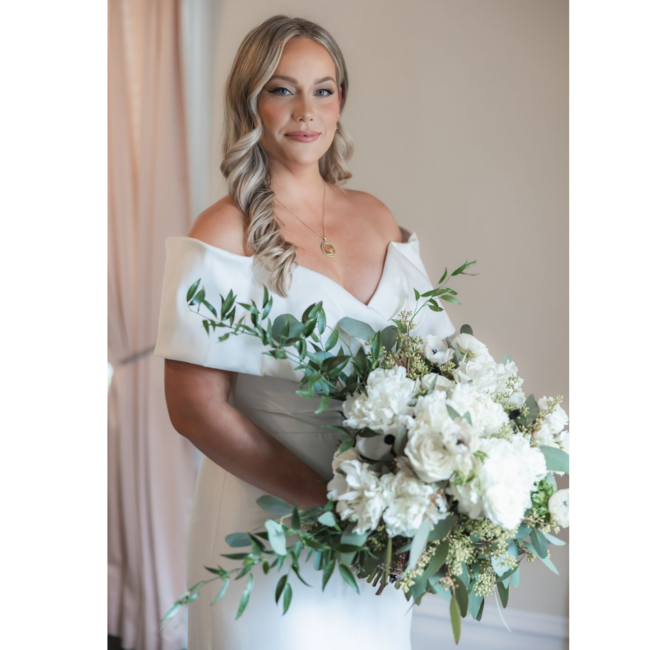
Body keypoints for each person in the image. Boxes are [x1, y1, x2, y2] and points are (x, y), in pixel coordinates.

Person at [153, 15, 456, 650]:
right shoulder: (221, 233)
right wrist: (335, 505)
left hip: (383, 542)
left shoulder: (376, 216)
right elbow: (195, 412)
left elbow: (440, 363)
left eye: (323, 89)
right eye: (282, 89)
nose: (306, 111)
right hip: (269, 536)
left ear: (341, 101)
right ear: (251, 101)